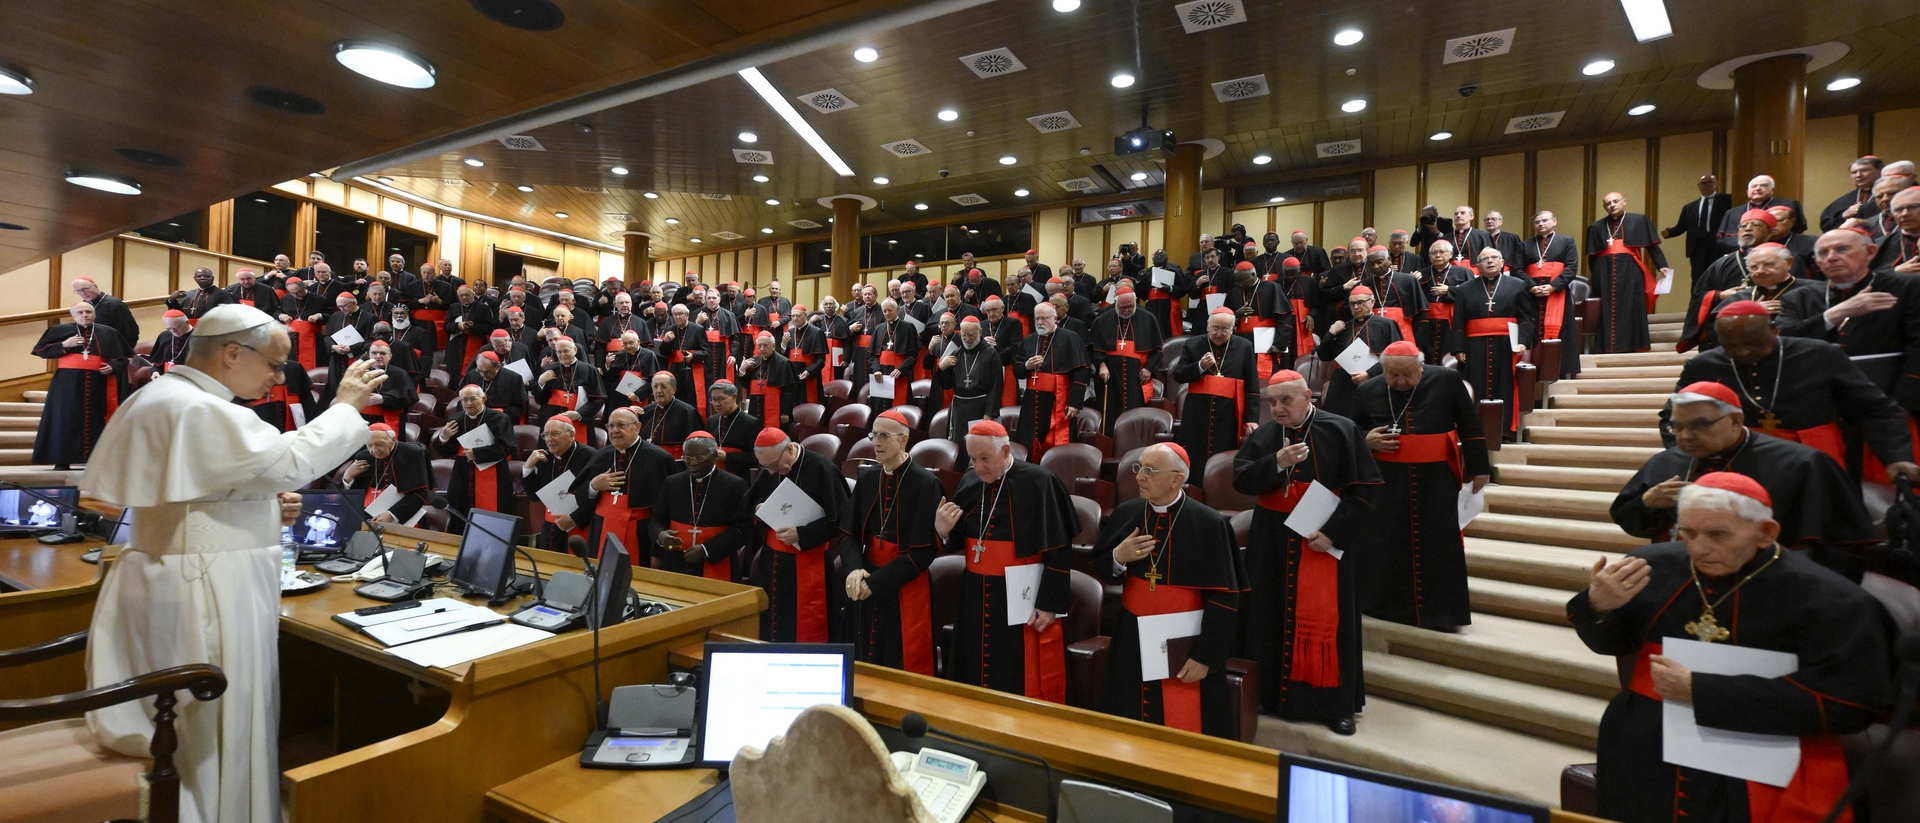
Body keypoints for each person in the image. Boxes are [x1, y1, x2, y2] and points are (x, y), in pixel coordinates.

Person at [81, 303, 384, 823]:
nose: (276, 376)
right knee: (215, 726)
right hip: (207, 588)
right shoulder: (199, 408)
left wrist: (267, 504)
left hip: (178, 575)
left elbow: (205, 493)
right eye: (272, 363)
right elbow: (290, 461)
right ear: (230, 353)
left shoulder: (164, 395)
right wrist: (346, 406)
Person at [1568, 473, 1889, 823]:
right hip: (1647, 748)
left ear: (1767, 532)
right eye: (1687, 533)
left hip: (1761, 759)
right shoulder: (1654, 566)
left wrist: (1701, 691)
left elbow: (1849, 705)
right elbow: (1609, 642)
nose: (1698, 548)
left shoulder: (1830, 599)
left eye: (1717, 534)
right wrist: (1599, 607)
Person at [1233, 371, 1377, 733]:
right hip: (1272, 538)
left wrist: (1332, 533)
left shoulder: (1341, 429)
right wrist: (1276, 462)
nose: (1278, 409)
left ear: (1308, 395)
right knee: (1270, 613)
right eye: (1272, 402)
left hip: (1322, 540)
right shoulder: (1266, 435)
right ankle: (1269, 695)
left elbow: (1366, 491)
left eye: (1286, 400)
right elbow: (1241, 480)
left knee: (1331, 621)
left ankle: (1334, 706)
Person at [1671, 301, 1920, 486]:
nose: (1744, 352)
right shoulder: (1703, 365)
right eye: (1731, 346)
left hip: (1817, 459)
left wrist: (1897, 456)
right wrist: (1685, 458)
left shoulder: (1820, 354)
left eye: (1753, 343)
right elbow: (1672, 416)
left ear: (1774, 330)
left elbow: (1875, 409)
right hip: (1737, 459)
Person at [1612, 383, 1873, 554]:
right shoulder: (1667, 461)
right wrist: (1647, 503)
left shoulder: (1801, 463)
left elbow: (1836, 545)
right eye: (1676, 427)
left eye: (1699, 425)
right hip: (1681, 574)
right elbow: (1629, 519)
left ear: (1736, 421)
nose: (1685, 436)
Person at [1095, 443, 1244, 737]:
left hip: (1184, 642)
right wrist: (1118, 557)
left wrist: (1206, 656)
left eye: (1150, 470)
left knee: (1182, 721)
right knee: (1128, 715)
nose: (1139, 477)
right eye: (1138, 467)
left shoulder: (1210, 524)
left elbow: (1225, 599)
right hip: (1131, 636)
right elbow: (1101, 568)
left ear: (1177, 478)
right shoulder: (1127, 513)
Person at [1353, 342, 1491, 629]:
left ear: (1421, 367)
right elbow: (1351, 430)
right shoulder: (1368, 389)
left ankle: (1440, 614)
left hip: (1437, 478)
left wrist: (1479, 469)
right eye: (1392, 375)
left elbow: (1470, 424)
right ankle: (1384, 607)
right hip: (1386, 480)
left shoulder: (1447, 380)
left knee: (1438, 542)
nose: (1400, 382)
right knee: (1387, 539)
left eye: (1407, 375)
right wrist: (1367, 440)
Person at [937, 420, 1078, 702]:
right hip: (975, 594)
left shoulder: (1041, 482)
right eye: (973, 459)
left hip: (1019, 597)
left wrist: (1048, 605)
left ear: (1005, 450)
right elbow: (959, 538)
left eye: (985, 459)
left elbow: (1059, 550)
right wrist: (942, 531)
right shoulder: (970, 480)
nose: (978, 467)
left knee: (1014, 673)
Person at [842, 411, 942, 674]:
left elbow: (923, 553)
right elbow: (849, 534)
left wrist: (875, 584)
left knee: (898, 659)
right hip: (866, 575)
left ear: (904, 440)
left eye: (884, 435)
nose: (876, 442)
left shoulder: (926, 483)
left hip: (905, 582)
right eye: (873, 435)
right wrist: (854, 568)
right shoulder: (867, 478)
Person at [1783, 227, 1920, 411]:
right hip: (1819, 400)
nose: (1831, 257)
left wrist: (1901, 402)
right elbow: (1785, 342)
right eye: (1823, 253)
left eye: (1842, 249)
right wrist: (1835, 313)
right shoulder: (1797, 297)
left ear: (1870, 252)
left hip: (1891, 398)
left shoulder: (1908, 286)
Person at [745, 429, 848, 642]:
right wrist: (759, 508)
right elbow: (749, 505)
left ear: (790, 449)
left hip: (809, 562)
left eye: (774, 465)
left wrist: (801, 533)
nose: (771, 472)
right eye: (765, 467)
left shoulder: (822, 469)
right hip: (772, 563)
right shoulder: (771, 469)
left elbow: (842, 520)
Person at [1447, 248, 1538, 439]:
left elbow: (1527, 318)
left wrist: (1523, 341)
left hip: (1506, 344)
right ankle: (1475, 431)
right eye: (1484, 259)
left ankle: (1505, 431)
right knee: (1476, 384)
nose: (1490, 261)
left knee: (1504, 384)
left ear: (1502, 261)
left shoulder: (1518, 285)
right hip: (1474, 346)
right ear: (1478, 265)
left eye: (1494, 257)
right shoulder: (1465, 289)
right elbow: (1458, 321)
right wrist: (1458, 347)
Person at [33, 302, 133, 470]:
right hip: (66, 384)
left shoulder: (108, 332)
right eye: (80, 312)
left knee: (96, 418)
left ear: (94, 314)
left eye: (88, 311)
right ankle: (62, 460)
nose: (85, 314)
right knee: (64, 420)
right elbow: (41, 351)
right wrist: (65, 345)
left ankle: (95, 459)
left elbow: (123, 359)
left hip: (97, 383)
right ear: (73, 315)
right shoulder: (60, 331)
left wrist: (113, 367)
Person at [1683, 243, 1822, 352]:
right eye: (1754, 267)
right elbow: (1714, 334)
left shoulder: (1815, 291)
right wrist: (1746, 315)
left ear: (1789, 263)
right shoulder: (1738, 298)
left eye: (1768, 264)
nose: (1760, 270)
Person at [579, 407, 674, 566]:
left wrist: (657, 551)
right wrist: (594, 486)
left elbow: (666, 510)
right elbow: (580, 495)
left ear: (637, 427)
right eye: (610, 426)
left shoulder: (659, 458)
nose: (614, 430)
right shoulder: (601, 455)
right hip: (601, 529)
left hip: (639, 534)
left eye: (621, 425)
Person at [653, 432, 754, 580]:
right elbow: (657, 520)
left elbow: (744, 529)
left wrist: (707, 549)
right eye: (687, 457)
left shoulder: (734, 485)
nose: (693, 463)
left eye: (699, 457)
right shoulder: (672, 482)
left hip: (718, 560)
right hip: (675, 561)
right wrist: (660, 536)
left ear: (714, 456)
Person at [1679, 209, 1779, 352]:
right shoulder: (1720, 264)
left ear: (1770, 232)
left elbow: (1793, 291)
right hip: (1728, 331)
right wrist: (1719, 296)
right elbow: (1698, 296)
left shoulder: (1782, 260)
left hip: (1770, 329)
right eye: (1743, 226)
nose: (1748, 228)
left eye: (1756, 225)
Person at [1586, 191, 1671, 353]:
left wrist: (1662, 265)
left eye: (1615, 201)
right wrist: (1597, 277)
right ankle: (1607, 346)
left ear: (1624, 202)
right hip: (1605, 272)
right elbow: (1592, 257)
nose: (1612, 205)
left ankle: (1633, 344)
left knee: (1632, 305)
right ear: (1604, 207)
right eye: (1608, 203)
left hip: (1631, 269)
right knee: (1606, 308)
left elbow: (1653, 247)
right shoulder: (1596, 227)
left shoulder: (1639, 220)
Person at [1170, 308, 1258, 460]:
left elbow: (1252, 386)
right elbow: (1178, 375)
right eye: (1215, 328)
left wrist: (1251, 418)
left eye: (1225, 329)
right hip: (1197, 412)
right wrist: (1200, 366)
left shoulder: (1245, 346)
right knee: (1195, 453)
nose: (1219, 333)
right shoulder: (1192, 344)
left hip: (1229, 413)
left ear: (1233, 329)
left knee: (1224, 453)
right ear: (1207, 326)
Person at [1012, 302, 1090, 460]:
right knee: (1029, 437)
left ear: (1055, 318)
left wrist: (1075, 402)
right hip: (1031, 401)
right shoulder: (1029, 340)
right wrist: (1026, 366)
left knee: (1058, 439)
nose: (1040, 322)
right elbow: (1017, 370)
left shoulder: (1070, 337)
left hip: (1059, 400)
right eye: (1037, 319)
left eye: (1044, 318)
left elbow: (1081, 371)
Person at [1314, 285, 1401, 421]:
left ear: (1372, 302)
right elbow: (1324, 356)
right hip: (1343, 385)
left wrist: (1369, 374)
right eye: (1352, 304)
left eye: (1360, 302)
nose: (1356, 307)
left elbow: (1396, 356)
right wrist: (1330, 334)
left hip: (1374, 381)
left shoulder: (1387, 325)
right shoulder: (1344, 327)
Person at [1088, 288, 1163, 436]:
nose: (1127, 310)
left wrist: (1148, 368)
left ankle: (1133, 442)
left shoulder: (1148, 318)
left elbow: (1158, 349)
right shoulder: (1102, 320)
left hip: (1136, 377)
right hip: (1110, 377)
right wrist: (1101, 365)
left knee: (1134, 411)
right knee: (1110, 412)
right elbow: (1094, 349)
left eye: (1130, 306)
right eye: (1123, 307)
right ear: (1115, 302)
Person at [431, 385, 516, 516]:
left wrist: (477, 454)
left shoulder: (499, 418)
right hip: (462, 474)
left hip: (494, 472)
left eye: (473, 399)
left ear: (483, 399)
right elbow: (446, 452)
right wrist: (443, 438)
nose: (468, 403)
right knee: (461, 512)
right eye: (464, 400)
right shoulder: (456, 420)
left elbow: (509, 447)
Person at [1516, 210, 1583, 376]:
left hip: (1557, 293)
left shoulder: (1566, 241)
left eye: (1545, 220)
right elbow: (1518, 269)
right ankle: (1533, 369)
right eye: (1537, 222)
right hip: (1531, 294)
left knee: (1562, 331)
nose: (1541, 224)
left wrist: (1552, 286)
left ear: (1554, 222)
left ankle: (1561, 369)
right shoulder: (1524, 245)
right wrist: (1531, 287)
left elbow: (1571, 267)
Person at [523, 416, 596, 551]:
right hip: (550, 525)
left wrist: (575, 519)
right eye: (546, 435)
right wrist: (527, 468)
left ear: (571, 435)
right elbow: (534, 496)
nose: (549, 439)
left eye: (555, 434)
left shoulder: (590, 456)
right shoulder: (545, 457)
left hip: (579, 525)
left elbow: (595, 496)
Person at [933, 316, 1003, 446]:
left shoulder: (991, 354)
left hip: (980, 407)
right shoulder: (956, 353)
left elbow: (996, 386)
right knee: (959, 444)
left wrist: (989, 413)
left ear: (980, 332)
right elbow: (947, 385)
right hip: (959, 409)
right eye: (964, 336)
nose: (967, 339)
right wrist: (942, 369)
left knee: (979, 444)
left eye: (972, 335)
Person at [342, 423, 430, 524]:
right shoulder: (364, 456)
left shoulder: (412, 453)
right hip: (366, 516)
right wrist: (347, 478)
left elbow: (420, 494)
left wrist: (392, 514)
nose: (374, 451)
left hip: (404, 515)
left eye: (379, 444)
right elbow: (352, 493)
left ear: (393, 440)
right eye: (369, 445)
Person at [1663, 174, 1733, 277]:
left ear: (1716, 184)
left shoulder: (1727, 200)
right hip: (1697, 249)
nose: (1706, 186)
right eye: (1703, 184)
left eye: (1710, 183)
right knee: (1697, 279)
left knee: (1718, 277)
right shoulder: (1689, 207)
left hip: (1719, 246)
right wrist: (1669, 233)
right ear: (1698, 186)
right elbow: (1681, 227)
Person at [534, 337, 601, 444]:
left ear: (575, 350)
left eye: (566, 351)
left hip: (579, 419)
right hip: (551, 417)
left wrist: (578, 414)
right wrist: (541, 382)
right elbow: (539, 400)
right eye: (559, 352)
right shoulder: (548, 369)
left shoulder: (589, 370)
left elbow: (599, 399)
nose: (562, 355)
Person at [1717, 175, 1807, 255]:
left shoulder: (1788, 204)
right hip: (1741, 254)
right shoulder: (1732, 212)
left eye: (1763, 185)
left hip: (1780, 251)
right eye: (1754, 186)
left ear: (1772, 190)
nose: (1758, 188)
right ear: (1748, 191)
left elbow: (1797, 230)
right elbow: (1722, 240)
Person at [1416, 240, 1472, 365]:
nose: (1438, 255)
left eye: (1442, 252)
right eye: (1434, 253)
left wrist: (1449, 291)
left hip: (1452, 322)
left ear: (1451, 253)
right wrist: (1412, 282)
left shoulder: (1463, 272)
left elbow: (1472, 295)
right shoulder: (1421, 273)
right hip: (1427, 323)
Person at [319, 293, 373, 406]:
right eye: (339, 307)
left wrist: (352, 348)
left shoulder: (369, 317)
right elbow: (327, 336)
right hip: (337, 359)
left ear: (353, 303)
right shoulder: (336, 316)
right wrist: (334, 347)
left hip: (357, 359)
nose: (341, 309)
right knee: (335, 387)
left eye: (344, 306)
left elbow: (371, 341)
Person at [739, 331, 802, 427]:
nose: (762, 349)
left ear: (773, 346)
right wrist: (742, 370)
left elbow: (789, 390)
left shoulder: (784, 363)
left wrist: (785, 412)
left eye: (765, 345)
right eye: (759, 346)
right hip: (755, 407)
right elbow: (745, 385)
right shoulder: (753, 362)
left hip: (777, 409)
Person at [354, 341, 416, 435]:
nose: (378, 356)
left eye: (382, 353)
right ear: (369, 355)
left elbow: (409, 400)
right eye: (374, 353)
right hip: (362, 421)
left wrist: (383, 400)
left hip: (388, 421)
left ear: (390, 356)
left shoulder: (400, 373)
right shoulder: (360, 372)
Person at [638, 372, 701, 458]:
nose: (659, 391)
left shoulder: (687, 411)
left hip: (674, 460)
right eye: (655, 387)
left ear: (673, 390)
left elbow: (694, 443)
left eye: (663, 387)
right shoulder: (645, 411)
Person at [705, 380, 760, 476]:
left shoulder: (750, 423)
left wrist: (727, 456)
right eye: (713, 399)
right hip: (713, 475)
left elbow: (756, 458)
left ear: (734, 397)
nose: (716, 404)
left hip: (739, 477)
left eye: (720, 399)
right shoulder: (712, 421)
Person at [278, 276, 331, 371]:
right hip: (291, 338)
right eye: (292, 293)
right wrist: (282, 316)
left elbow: (330, 315)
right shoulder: (286, 298)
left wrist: (319, 315)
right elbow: (277, 312)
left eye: (298, 292)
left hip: (313, 338)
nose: (295, 295)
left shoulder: (319, 299)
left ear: (304, 288)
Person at [460, 349, 527, 424]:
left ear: (497, 367)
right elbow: (460, 400)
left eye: (487, 372)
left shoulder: (513, 378)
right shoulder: (471, 375)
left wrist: (501, 411)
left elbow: (519, 407)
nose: (482, 375)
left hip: (502, 420)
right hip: (474, 420)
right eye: (479, 371)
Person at [70, 276, 141, 347]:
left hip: (114, 348)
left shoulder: (114, 304)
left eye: (85, 289)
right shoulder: (85, 305)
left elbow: (131, 331)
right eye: (78, 291)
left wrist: (125, 352)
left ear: (95, 286)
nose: (83, 293)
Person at [443, 286, 493, 382]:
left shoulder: (483, 308)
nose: (464, 298)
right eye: (461, 295)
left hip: (475, 343)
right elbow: (446, 326)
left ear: (473, 295)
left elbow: (489, 328)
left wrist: (472, 327)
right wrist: (458, 325)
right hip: (455, 344)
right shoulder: (454, 307)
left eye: (467, 295)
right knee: (454, 371)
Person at [1823, 156, 1886, 232]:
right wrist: (1843, 216)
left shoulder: (1891, 196)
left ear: (1880, 171)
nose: (1858, 175)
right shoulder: (1844, 200)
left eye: (1864, 170)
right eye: (1854, 172)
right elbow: (1825, 225)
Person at [167, 267, 232, 323]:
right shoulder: (188, 294)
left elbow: (230, 314)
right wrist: (171, 299)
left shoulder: (222, 294)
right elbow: (178, 313)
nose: (202, 278)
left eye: (207, 276)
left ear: (212, 278)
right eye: (199, 276)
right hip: (188, 328)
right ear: (195, 279)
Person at [150, 309, 193, 373]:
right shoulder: (165, 336)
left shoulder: (199, 338)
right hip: (165, 377)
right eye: (169, 328)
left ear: (187, 322)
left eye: (177, 327)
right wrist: (155, 372)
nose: (174, 331)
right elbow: (157, 363)